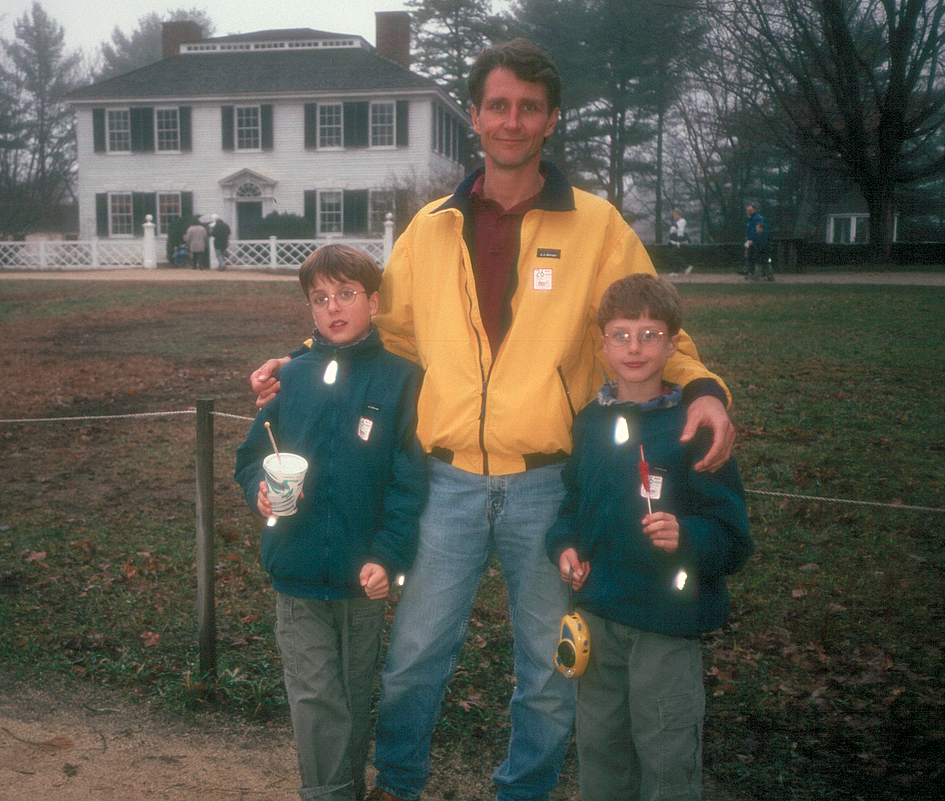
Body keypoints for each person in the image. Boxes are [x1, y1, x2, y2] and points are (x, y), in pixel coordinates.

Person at [251, 39, 737, 801]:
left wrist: (702, 383)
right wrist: (303, 356)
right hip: (444, 481)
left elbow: (648, 322)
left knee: (548, 667)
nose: (512, 121)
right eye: (498, 105)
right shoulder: (432, 227)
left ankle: (525, 789)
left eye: (529, 107)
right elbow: (387, 331)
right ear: (474, 115)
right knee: (414, 653)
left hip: (548, 483)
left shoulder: (598, 227)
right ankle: (399, 781)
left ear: (550, 120)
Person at [548, 273, 753, 801]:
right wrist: (564, 546)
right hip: (598, 615)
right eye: (620, 334)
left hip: (666, 620)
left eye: (650, 334)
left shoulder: (694, 425)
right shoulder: (590, 423)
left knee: (666, 751)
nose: (634, 347)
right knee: (601, 748)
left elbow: (733, 537)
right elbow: (572, 503)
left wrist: (686, 536)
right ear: (601, 344)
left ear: (674, 343)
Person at [235, 244, 428, 801]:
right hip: (295, 573)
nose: (334, 308)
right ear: (309, 310)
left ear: (373, 301)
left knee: (350, 694)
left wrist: (387, 556)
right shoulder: (288, 379)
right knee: (316, 697)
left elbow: (407, 483)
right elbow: (252, 458)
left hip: (362, 577)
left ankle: (348, 786)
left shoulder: (400, 381)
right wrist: (259, 494)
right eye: (320, 299)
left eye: (346, 294)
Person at [741, 203, 765, 277]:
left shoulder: (757, 218)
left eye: (750, 210)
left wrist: (753, 240)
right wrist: (747, 238)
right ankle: (748, 271)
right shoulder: (750, 219)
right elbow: (749, 230)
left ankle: (758, 273)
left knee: (755, 257)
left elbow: (758, 230)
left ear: (754, 210)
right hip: (749, 241)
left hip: (755, 241)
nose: (749, 212)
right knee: (748, 255)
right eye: (748, 210)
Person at [666, 209, 691, 273]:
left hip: (679, 242)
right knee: (673, 255)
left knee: (674, 255)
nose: (673, 216)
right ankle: (675, 271)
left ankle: (686, 266)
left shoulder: (681, 221)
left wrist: (678, 242)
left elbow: (680, 232)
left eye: (675, 215)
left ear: (679, 215)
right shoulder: (676, 222)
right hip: (674, 242)